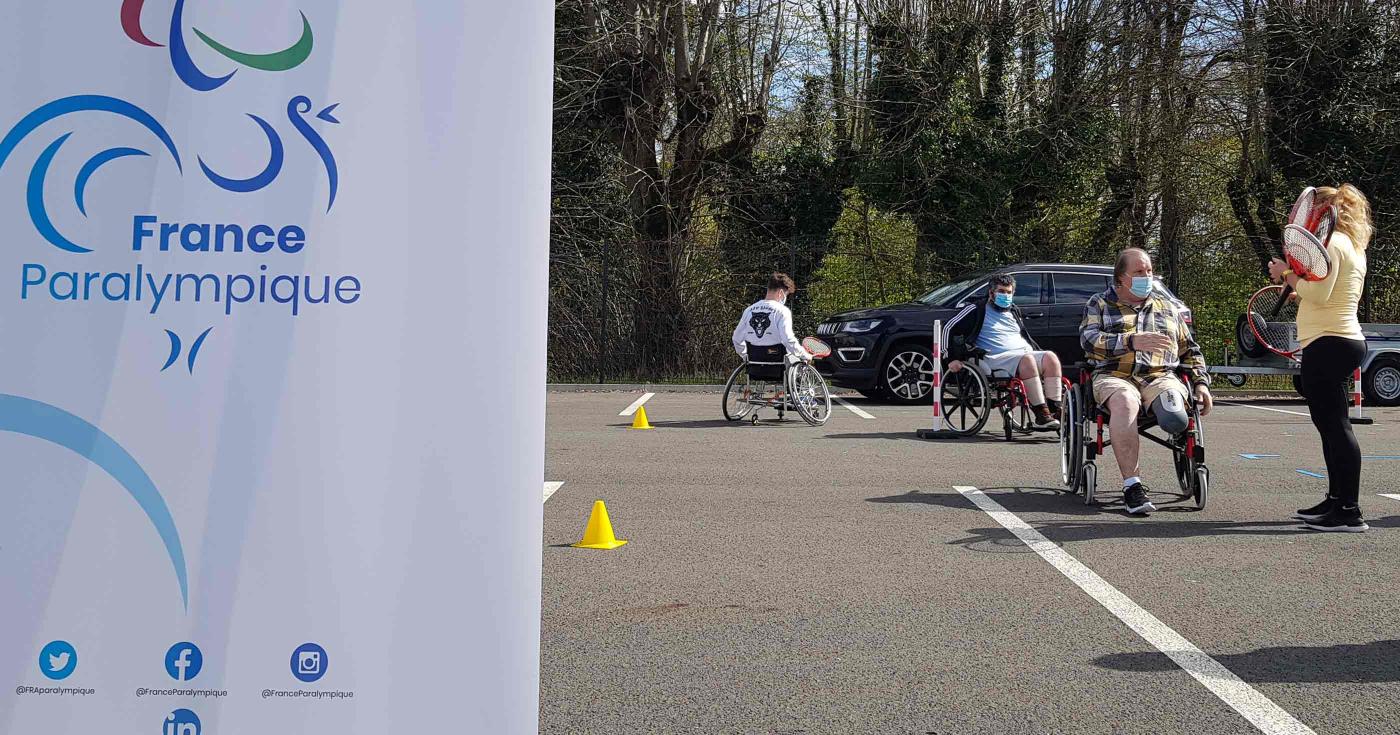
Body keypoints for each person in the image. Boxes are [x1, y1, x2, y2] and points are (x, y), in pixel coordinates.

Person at [1270, 184, 1371, 532]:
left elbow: (1321, 292)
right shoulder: (1352, 245)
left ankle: (1349, 510)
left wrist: (1286, 273)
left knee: (1335, 427)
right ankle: (1336, 500)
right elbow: (1326, 293)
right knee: (1331, 426)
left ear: (1325, 210)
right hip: (1340, 340)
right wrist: (1299, 286)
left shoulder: (1333, 243)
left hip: (1330, 343)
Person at [1081, 248, 1212, 515]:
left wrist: (1201, 384)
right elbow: (1088, 340)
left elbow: (1190, 350)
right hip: (1115, 376)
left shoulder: (1169, 308)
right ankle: (1132, 486)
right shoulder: (1100, 304)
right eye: (1139, 272)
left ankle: (1186, 455)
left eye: (1149, 271)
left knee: (1175, 416)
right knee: (1126, 403)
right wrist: (1130, 341)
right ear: (1120, 278)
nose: (1146, 276)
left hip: (1159, 376)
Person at [944, 274, 1063, 428]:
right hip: (994, 356)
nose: (1006, 295)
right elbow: (948, 328)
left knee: (1051, 357)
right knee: (1027, 360)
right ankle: (1042, 414)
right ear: (991, 293)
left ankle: (1055, 409)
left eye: (1009, 292)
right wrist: (950, 358)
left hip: (1023, 353)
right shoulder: (976, 309)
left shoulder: (1013, 310)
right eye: (1002, 291)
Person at [732, 272, 813, 364]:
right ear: (781, 293)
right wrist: (804, 355)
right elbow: (788, 339)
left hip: (754, 363)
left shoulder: (748, 310)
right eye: (786, 295)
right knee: (799, 358)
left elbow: (736, 338)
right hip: (779, 364)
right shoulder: (782, 311)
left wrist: (745, 355)